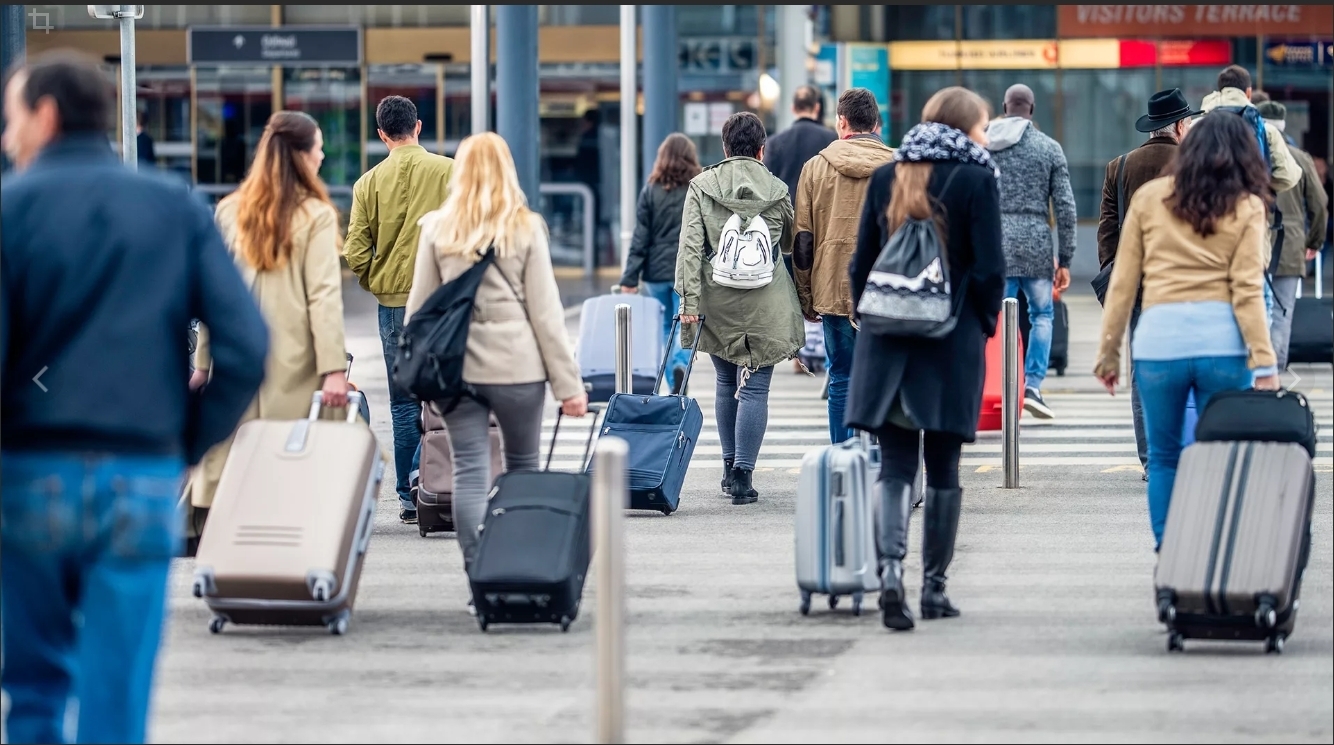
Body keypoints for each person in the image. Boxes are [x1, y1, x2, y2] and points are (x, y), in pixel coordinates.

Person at [1, 50, 268, 744]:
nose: (8, 137)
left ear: (48, 115)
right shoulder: (172, 205)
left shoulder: (11, 210)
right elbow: (246, 346)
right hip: (141, 470)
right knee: (117, 690)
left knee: (32, 685)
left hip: (31, 470)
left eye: (12, 119)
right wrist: (184, 440)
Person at [405, 132, 586, 615]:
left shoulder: (436, 228)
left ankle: (479, 581)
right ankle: (521, 575)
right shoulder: (525, 228)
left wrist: (420, 371)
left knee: (468, 472)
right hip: (517, 368)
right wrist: (569, 387)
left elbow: (418, 312)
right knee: (523, 472)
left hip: (456, 371)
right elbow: (547, 315)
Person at [846, 86, 1006, 631]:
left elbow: (861, 263)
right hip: (950, 342)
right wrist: (980, 325)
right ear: (965, 130)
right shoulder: (978, 180)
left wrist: (872, 321)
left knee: (893, 466)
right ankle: (934, 589)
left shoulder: (889, 175)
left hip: (888, 342)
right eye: (983, 127)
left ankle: (890, 574)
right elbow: (989, 270)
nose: (986, 137)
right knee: (943, 468)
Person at [1094, 111, 1281, 550]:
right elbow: (1248, 291)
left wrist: (1107, 353)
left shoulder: (1150, 199)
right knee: (1220, 452)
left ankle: (1171, 558)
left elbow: (1123, 280)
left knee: (1162, 460)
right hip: (1224, 345)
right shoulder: (1247, 205)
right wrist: (1265, 362)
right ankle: (1214, 550)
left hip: (1159, 342)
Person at [190, 110, 351, 521]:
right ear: (301, 155)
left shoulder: (230, 211)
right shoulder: (315, 215)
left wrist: (203, 363)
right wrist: (334, 367)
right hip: (294, 359)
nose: (323, 155)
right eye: (318, 147)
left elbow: (215, 296)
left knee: (234, 464)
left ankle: (233, 549)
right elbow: (324, 296)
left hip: (235, 358)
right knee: (294, 461)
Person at [676, 111, 804, 505]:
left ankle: (728, 467)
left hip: (718, 300)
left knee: (725, 382)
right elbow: (786, 244)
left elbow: (691, 250)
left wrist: (690, 303)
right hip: (766, 300)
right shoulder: (778, 188)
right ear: (762, 150)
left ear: (725, 147)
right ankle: (744, 476)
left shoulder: (701, 187)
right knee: (756, 389)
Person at [345, 95, 455, 524]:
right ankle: (439, 483)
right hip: (441, 302)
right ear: (418, 127)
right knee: (445, 395)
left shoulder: (367, 184)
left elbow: (354, 249)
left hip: (393, 305)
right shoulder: (449, 171)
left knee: (403, 402)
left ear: (381, 134)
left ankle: (408, 497)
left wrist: (378, 280)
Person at [1097, 88, 1199, 478]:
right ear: (1177, 125)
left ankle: (1153, 458)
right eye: (1187, 121)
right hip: (1187, 280)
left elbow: (1107, 231)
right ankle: (1188, 450)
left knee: (1144, 372)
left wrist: (1115, 274)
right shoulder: (1195, 164)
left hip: (1138, 285)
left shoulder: (1119, 166)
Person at [793, 87, 896, 444]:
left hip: (833, 288)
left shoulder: (815, 168)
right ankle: (886, 463)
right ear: (876, 122)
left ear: (841, 122)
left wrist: (806, 296)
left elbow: (802, 241)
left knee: (841, 379)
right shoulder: (899, 166)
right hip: (888, 290)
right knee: (886, 378)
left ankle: (843, 460)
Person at [983, 83, 1077, 421]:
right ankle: (1033, 385)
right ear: (1032, 110)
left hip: (997, 241)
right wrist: (1065, 258)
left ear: (1004, 107)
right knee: (1042, 316)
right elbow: (1065, 208)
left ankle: (1000, 383)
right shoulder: (1049, 148)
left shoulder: (987, 145)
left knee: (995, 317)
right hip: (1037, 241)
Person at [618, 132, 702, 392]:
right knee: (687, 326)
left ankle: (671, 380)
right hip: (686, 272)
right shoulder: (697, 189)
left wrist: (629, 278)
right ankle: (680, 365)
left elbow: (640, 238)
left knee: (664, 327)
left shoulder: (650, 192)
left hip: (655, 273)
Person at [765, 86, 838, 372]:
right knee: (821, 287)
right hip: (821, 225)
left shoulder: (777, 142)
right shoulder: (830, 140)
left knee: (793, 291)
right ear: (817, 108)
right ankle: (823, 352)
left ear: (794, 108)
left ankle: (798, 354)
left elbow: (769, 185)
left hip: (787, 229)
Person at [1255, 100, 1329, 370]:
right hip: (1291, 243)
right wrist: (1315, 241)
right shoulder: (1300, 158)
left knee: (1256, 308)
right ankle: (1273, 372)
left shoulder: (1251, 155)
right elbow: (1319, 203)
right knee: (1281, 311)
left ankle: (1258, 370)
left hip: (1256, 243)